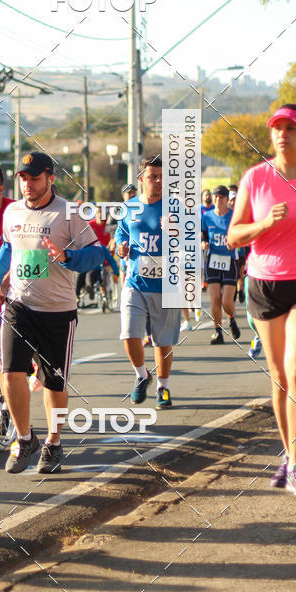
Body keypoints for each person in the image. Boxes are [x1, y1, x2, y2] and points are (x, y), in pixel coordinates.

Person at [0, 152, 97, 475]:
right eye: (23, 178)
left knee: (54, 385)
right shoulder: (12, 212)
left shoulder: (68, 214)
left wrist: (68, 256)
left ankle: (54, 442)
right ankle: (24, 438)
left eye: (34, 178)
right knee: (10, 373)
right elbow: (8, 248)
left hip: (58, 311)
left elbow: (96, 254)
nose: (27, 184)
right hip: (19, 306)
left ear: (50, 178)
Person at [228, 103, 296, 495]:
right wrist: (265, 223)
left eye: (290, 127)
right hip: (265, 282)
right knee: (280, 377)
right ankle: (289, 456)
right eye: (277, 128)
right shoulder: (256, 178)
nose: (282, 134)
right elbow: (233, 236)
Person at [115, 156, 181, 410]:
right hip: (135, 283)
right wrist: (121, 247)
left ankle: (163, 387)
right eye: (153, 176)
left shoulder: (174, 207)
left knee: (162, 342)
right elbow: (121, 233)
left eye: (163, 177)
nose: (158, 181)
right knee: (129, 334)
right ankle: (142, 375)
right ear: (141, 179)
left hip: (166, 286)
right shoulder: (129, 207)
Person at [202, 185, 241, 344]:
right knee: (215, 300)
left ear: (227, 200)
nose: (217, 200)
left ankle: (231, 319)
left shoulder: (234, 216)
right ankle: (218, 332)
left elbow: (240, 235)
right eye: (216, 197)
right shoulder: (207, 216)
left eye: (221, 198)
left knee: (226, 301)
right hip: (212, 261)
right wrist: (203, 242)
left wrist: (235, 243)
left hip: (229, 261)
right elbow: (203, 233)